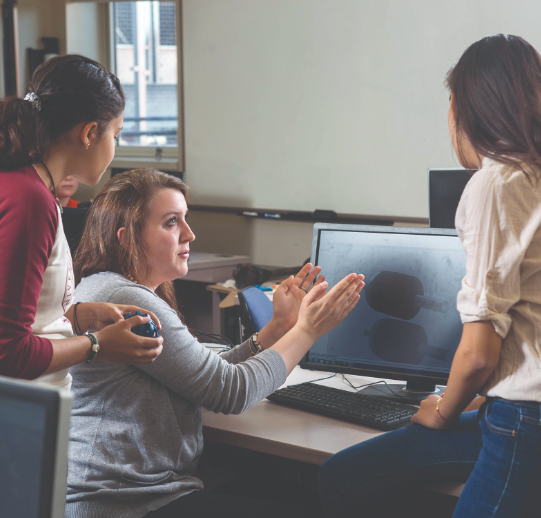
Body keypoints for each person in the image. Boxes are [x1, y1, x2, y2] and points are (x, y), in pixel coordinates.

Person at [317, 34, 541, 518]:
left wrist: (442, 410)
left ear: (467, 110)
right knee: (343, 476)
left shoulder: (498, 182)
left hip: (534, 429)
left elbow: (478, 354)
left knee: (340, 483)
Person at [65, 168, 365, 518]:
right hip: (129, 505)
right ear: (127, 239)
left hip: (122, 496)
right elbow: (231, 391)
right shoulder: (129, 300)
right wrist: (307, 330)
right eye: (171, 222)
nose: (190, 234)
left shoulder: (104, 285)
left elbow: (205, 376)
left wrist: (280, 326)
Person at [0, 55, 163, 389]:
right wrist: (98, 344)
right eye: (115, 135)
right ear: (90, 133)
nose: (114, 148)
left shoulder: (13, 184)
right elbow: (4, 355)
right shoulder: (27, 200)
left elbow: (17, 321)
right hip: (5, 414)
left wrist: (79, 317)